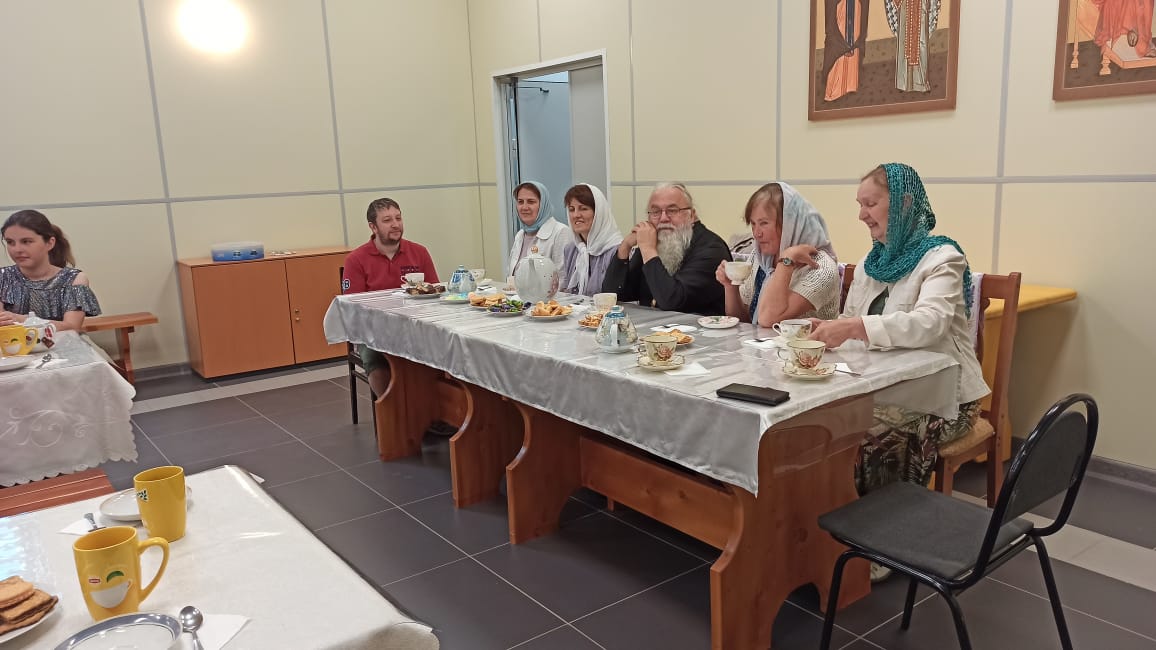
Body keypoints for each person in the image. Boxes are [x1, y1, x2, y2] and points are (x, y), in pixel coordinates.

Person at [809, 163, 988, 500]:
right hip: (885, 385)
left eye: (870, 203)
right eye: (859, 205)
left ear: (905, 204)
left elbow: (930, 323)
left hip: (945, 397)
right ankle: (821, 515)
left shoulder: (943, 258)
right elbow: (850, 320)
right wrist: (830, 330)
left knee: (869, 434)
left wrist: (855, 327)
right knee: (818, 424)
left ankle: (880, 521)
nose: (862, 215)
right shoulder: (871, 262)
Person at [342, 197, 439, 397]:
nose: (395, 224)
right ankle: (392, 407)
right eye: (387, 220)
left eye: (398, 218)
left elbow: (434, 292)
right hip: (374, 332)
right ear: (373, 227)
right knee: (376, 360)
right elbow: (353, 307)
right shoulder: (356, 259)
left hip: (415, 325)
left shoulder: (419, 252)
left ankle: (430, 406)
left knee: (443, 352)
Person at [714, 183, 839, 326]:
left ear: (790, 224)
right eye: (753, 224)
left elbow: (768, 318)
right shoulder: (761, 258)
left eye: (764, 223)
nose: (756, 233)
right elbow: (743, 322)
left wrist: (787, 259)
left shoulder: (821, 267)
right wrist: (731, 287)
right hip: (761, 341)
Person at [602, 183, 730, 315]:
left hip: (697, 327)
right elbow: (614, 296)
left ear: (691, 215)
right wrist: (624, 247)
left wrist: (649, 250)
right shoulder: (655, 242)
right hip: (653, 326)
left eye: (672, 210)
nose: (663, 218)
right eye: (656, 212)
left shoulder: (712, 249)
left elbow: (672, 301)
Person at [1, 210, 100, 331]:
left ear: (50, 243)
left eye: (26, 241)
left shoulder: (74, 279)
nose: (17, 249)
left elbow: (72, 327)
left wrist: (24, 320)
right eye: (10, 242)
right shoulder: (3, 277)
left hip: (63, 343)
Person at [559, 184, 622, 296]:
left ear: (598, 213)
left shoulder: (617, 250)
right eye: (571, 209)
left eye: (583, 209)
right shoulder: (570, 250)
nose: (576, 215)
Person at [506, 181, 568, 278]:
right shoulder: (520, 235)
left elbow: (563, 279)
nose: (524, 207)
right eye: (520, 202)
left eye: (531, 202)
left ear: (543, 205)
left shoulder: (561, 232)